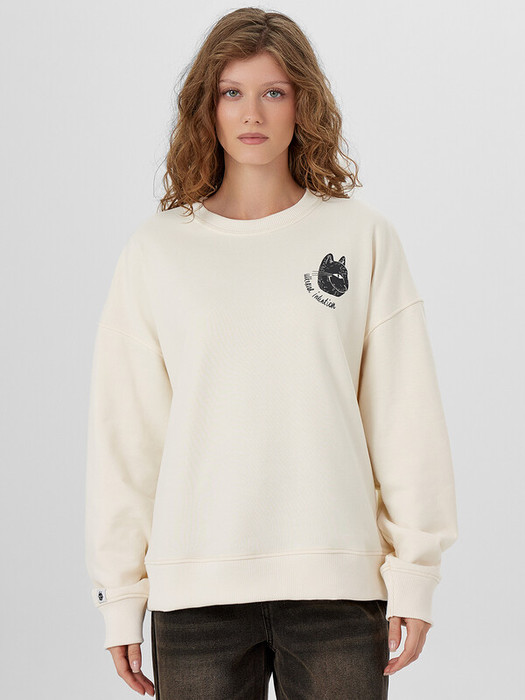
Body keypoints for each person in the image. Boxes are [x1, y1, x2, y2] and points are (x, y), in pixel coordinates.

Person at [84, 7, 459, 699]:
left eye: (273, 92)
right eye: (232, 92)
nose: (251, 112)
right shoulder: (156, 251)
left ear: (302, 104)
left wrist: (414, 572)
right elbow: (127, 438)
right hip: (195, 592)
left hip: (336, 587)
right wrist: (121, 594)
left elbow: (404, 417)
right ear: (207, 107)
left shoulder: (360, 236)